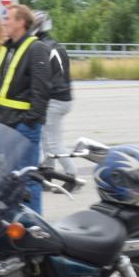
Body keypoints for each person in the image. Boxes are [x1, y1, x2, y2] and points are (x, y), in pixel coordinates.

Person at [0, 4, 51, 214]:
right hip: (6, 125)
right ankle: (14, 224)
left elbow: (42, 91)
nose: (4, 23)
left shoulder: (37, 48)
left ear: (21, 22)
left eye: (7, 19)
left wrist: (29, 121)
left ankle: (32, 228)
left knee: (28, 181)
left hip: (23, 128)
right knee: (10, 180)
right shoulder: (9, 48)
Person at [33, 11, 80, 189]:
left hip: (55, 99)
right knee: (46, 138)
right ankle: (47, 175)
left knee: (52, 141)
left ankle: (72, 176)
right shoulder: (53, 44)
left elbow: (43, 77)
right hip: (63, 97)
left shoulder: (41, 47)